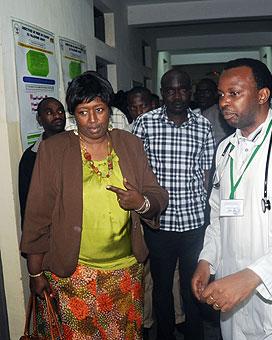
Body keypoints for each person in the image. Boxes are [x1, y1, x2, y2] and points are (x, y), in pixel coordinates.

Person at [20, 71, 168, 339]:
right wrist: (35, 271)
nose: (92, 121)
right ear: (73, 116)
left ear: (108, 110)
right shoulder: (55, 150)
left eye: (98, 110)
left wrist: (141, 202)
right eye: (83, 112)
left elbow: (157, 194)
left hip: (125, 272)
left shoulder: (130, 144)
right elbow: (38, 214)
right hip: (74, 275)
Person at [192, 58, 272, 339]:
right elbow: (218, 215)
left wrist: (253, 276)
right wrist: (207, 261)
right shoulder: (225, 150)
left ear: (263, 95)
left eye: (234, 93)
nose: (224, 102)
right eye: (221, 95)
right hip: (232, 291)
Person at [132, 69, 215, 340]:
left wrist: (207, 212)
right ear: (162, 92)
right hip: (159, 223)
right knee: (162, 287)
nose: (177, 95)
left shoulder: (203, 126)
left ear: (189, 92)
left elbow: (207, 174)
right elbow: (133, 169)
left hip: (193, 223)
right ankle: (165, 335)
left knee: (194, 286)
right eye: (170, 90)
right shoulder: (145, 124)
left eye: (182, 89)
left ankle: (195, 335)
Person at [18, 97, 65, 226]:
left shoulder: (79, 146)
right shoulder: (30, 157)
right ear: (40, 120)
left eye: (60, 111)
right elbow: (27, 202)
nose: (57, 116)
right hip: (49, 229)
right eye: (49, 112)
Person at [195, 78, 234, 145]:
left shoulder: (223, 113)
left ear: (216, 94)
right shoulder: (193, 114)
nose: (202, 95)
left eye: (206, 92)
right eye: (199, 91)